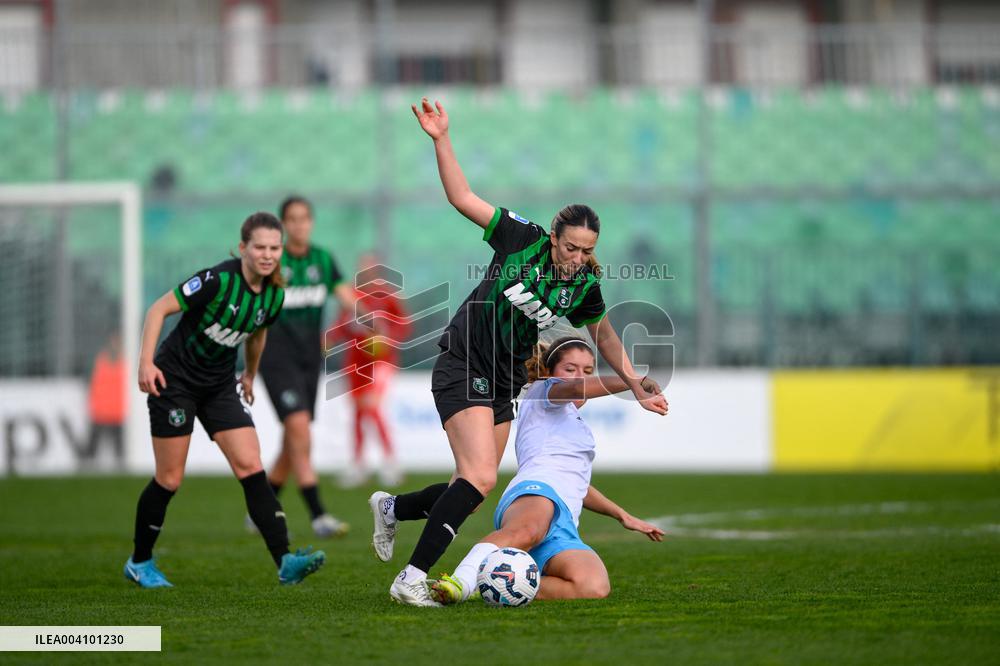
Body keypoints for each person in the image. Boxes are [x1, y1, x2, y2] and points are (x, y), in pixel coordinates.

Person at [370, 98, 668, 607]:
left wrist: (635, 382)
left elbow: (607, 337)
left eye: (587, 250)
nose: (577, 258)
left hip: (506, 376)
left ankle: (395, 508)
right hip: (465, 358)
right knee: (480, 475)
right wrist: (442, 139)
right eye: (571, 247)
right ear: (553, 238)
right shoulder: (520, 238)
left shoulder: (585, 285)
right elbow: (462, 196)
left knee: (472, 484)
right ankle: (411, 576)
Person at [125, 211, 325, 588]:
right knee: (169, 479)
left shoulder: (274, 295)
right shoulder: (216, 280)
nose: (267, 254)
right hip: (175, 383)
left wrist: (250, 373)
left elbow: (257, 333)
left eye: (274, 248)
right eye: (260, 247)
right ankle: (140, 561)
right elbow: (158, 309)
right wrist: (145, 363)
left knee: (251, 466)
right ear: (242, 248)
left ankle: (285, 561)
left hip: (219, 386)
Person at [430, 337, 665, 604]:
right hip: (536, 492)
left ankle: (490, 585)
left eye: (587, 371)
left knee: (593, 585)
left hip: (564, 521)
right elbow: (576, 388)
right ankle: (462, 580)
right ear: (550, 372)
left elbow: (577, 484)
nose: (579, 377)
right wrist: (634, 381)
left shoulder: (574, 422)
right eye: (570, 369)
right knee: (528, 531)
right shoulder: (544, 391)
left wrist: (622, 515)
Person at [254, 195, 356, 538]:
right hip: (276, 359)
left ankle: (261, 508)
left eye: (304, 218)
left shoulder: (323, 260)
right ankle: (318, 515)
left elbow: (348, 299)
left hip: (311, 360)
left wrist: (368, 321)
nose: (299, 224)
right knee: (299, 430)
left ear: (311, 222)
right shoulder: (273, 262)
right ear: (283, 225)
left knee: (292, 440)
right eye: (292, 219)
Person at [330, 252, 410, 488]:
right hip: (355, 363)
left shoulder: (388, 296)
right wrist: (331, 338)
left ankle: (390, 462)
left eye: (370, 267)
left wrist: (387, 338)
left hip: (380, 362)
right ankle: (358, 464)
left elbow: (404, 325)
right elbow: (341, 326)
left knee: (372, 407)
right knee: (358, 412)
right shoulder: (351, 297)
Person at [86, 331, 127, 470]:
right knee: (93, 447)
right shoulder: (100, 360)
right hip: (100, 411)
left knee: (119, 449)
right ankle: (87, 469)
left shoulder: (125, 361)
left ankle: (121, 471)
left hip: (116, 412)